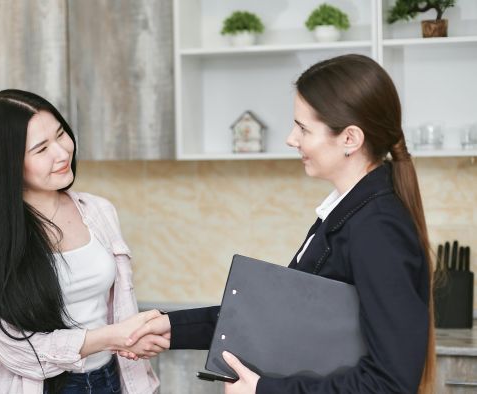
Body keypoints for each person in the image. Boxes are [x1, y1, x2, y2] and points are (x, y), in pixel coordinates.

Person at [124, 54, 435, 394]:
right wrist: (172, 328)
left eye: (303, 128)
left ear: (350, 139)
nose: (291, 138)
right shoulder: (345, 214)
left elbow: (388, 384)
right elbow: (283, 318)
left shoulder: (377, 230)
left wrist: (264, 390)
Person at [0, 89, 166, 394]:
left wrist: (130, 336)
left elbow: (120, 309)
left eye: (61, 135)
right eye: (41, 148)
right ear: (7, 163)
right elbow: (14, 350)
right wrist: (110, 337)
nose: (62, 153)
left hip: (113, 378)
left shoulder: (99, 211)